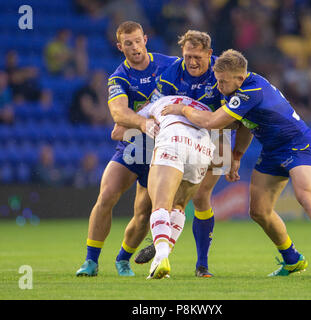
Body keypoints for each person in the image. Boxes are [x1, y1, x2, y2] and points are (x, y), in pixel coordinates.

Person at [163, 49, 311, 280]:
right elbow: (244, 126)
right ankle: (292, 259)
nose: (219, 86)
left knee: (307, 197)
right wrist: (237, 156)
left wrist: (181, 109)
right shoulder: (239, 89)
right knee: (259, 211)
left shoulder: (251, 91)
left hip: (297, 143)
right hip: (272, 150)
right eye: (217, 80)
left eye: (223, 82)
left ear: (239, 79)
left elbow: (212, 122)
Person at [75, 21, 178, 277]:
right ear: (120, 46)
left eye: (137, 41)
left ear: (146, 38)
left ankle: (122, 260)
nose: (134, 47)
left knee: (143, 214)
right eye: (128, 44)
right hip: (132, 147)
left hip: (160, 151)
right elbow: (118, 112)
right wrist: (143, 123)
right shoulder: (119, 77)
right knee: (107, 195)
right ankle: (91, 261)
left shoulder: (170, 64)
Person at [135, 30, 226, 278]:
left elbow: (234, 116)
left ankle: (199, 263)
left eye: (198, 57)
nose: (193, 62)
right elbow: (154, 105)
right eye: (188, 56)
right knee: (180, 201)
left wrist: (234, 155)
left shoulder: (222, 72)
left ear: (210, 54)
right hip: (195, 139)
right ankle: (164, 247)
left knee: (200, 198)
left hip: (218, 135)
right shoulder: (173, 73)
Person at [112, 95, 215, 279]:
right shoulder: (203, 106)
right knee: (179, 207)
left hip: (173, 139)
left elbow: (118, 132)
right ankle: (163, 251)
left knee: (160, 205)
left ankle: (160, 257)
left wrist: (144, 123)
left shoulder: (157, 102)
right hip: (203, 148)